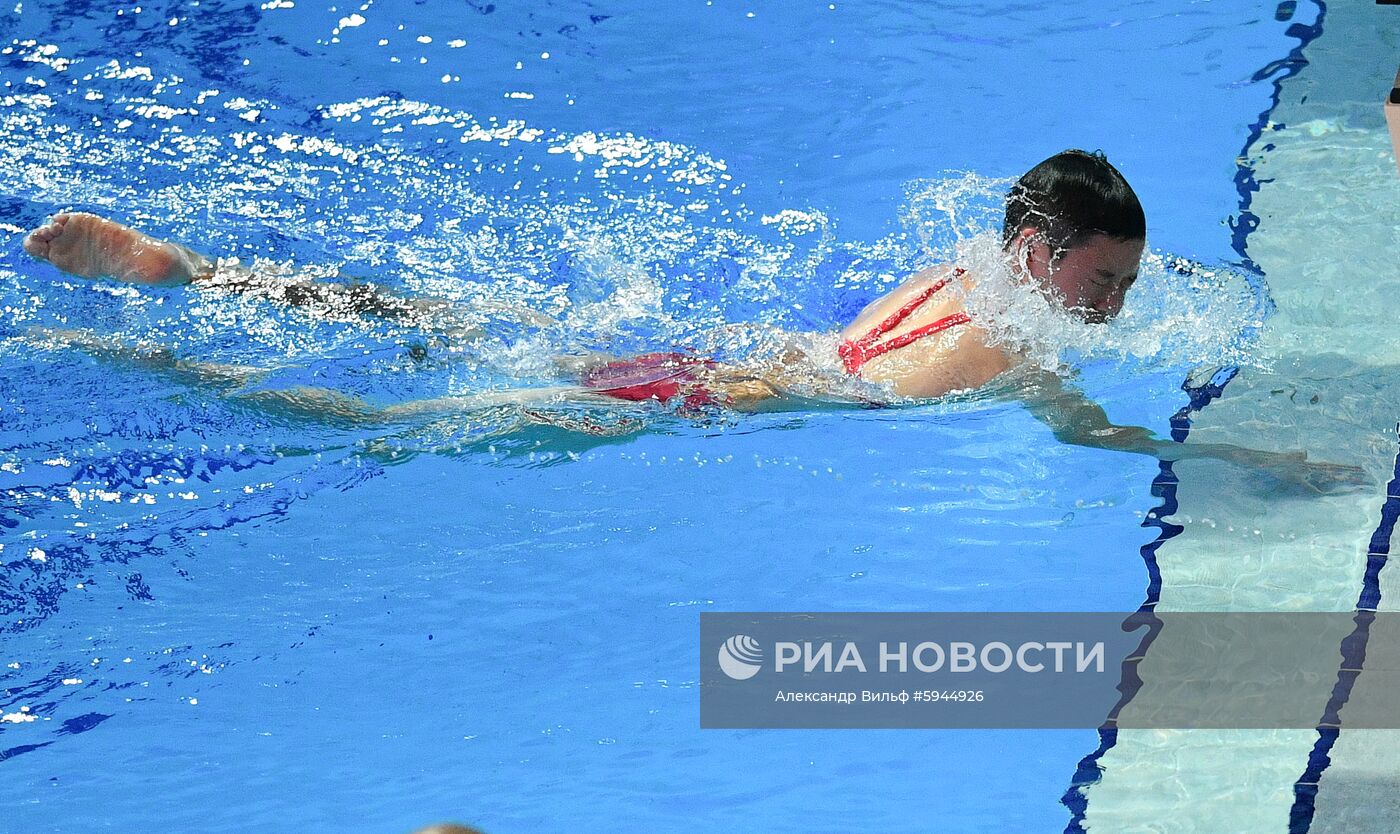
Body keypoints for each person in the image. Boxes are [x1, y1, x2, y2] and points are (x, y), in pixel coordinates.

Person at [16, 150, 1367, 488]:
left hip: (732, 356)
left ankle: (197, 278)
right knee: (402, 420)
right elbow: (1092, 441)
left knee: (449, 317)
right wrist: (1241, 459)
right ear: (1041, 255)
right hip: (718, 394)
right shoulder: (1022, 341)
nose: (1119, 304)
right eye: (1110, 282)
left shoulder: (967, 269)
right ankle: (123, 350)